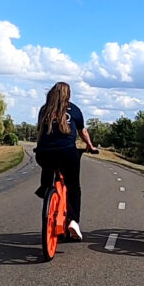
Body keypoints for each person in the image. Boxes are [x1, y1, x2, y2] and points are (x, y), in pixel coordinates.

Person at [34, 81, 97, 240]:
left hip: (44, 154)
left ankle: (46, 191)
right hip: (67, 153)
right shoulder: (74, 109)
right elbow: (82, 131)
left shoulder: (44, 109)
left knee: (47, 170)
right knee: (74, 186)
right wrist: (90, 145)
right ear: (68, 94)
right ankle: (74, 221)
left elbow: (40, 132)